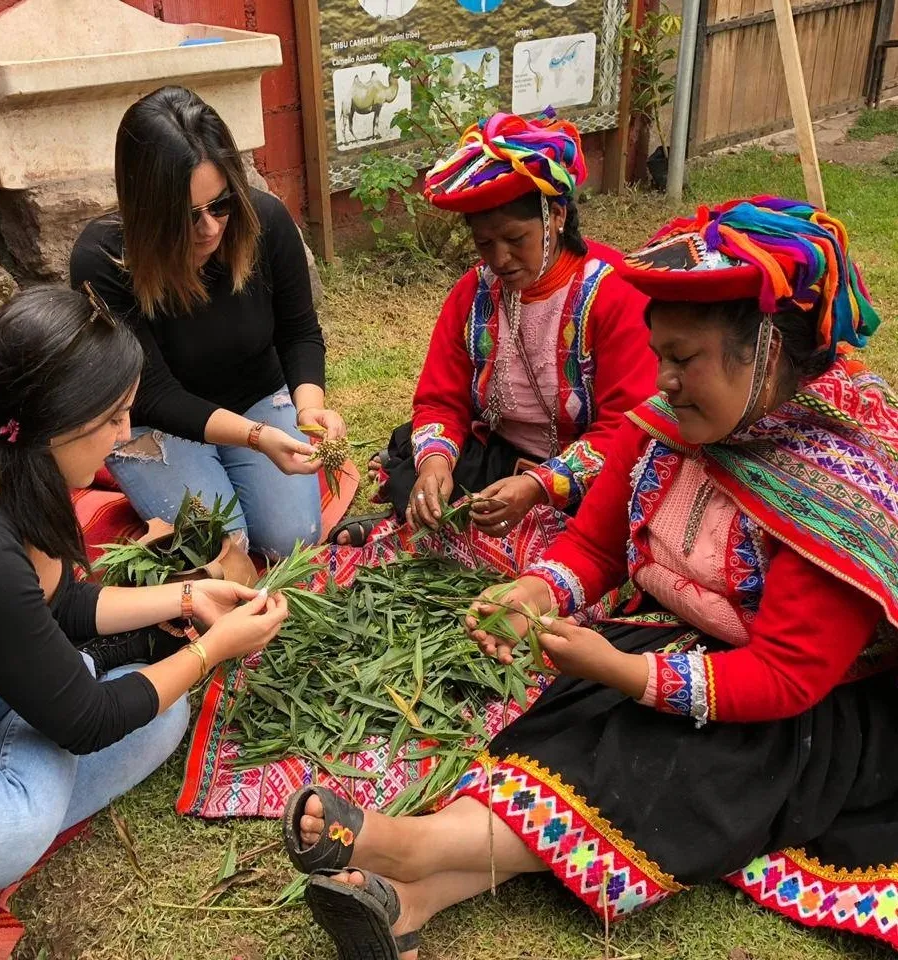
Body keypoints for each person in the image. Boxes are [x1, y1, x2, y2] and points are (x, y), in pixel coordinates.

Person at [281, 197, 898, 958]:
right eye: (659, 355)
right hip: (686, 644)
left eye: (684, 359)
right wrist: (537, 591)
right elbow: (598, 546)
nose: (662, 381)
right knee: (574, 723)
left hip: (804, 715)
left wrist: (631, 671)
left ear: (765, 349)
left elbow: (786, 677)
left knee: (661, 757)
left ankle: (410, 851)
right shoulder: (671, 426)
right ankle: (410, 902)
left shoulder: (836, 488)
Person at [0, 287, 290, 958]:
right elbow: (87, 723)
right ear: (58, 422)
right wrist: (213, 649)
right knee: (8, 831)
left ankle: (54, 700)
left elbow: (60, 605)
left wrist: (188, 599)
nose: (125, 435)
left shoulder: (9, 481)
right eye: (115, 416)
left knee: (164, 716)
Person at [334, 111, 653, 546]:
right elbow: (440, 400)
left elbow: (627, 425)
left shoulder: (613, 292)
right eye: (485, 243)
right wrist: (435, 466)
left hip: (590, 467)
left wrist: (540, 484)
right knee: (415, 459)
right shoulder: (474, 294)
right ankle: (446, 522)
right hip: (502, 458)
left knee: (631, 503)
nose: (500, 258)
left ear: (556, 215)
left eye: (515, 239)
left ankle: (432, 531)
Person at [71, 86, 345, 559]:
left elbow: (299, 332)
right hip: (155, 425)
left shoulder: (265, 220)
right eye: (186, 215)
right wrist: (256, 438)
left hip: (257, 397)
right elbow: (152, 393)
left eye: (221, 204)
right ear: (146, 211)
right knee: (223, 544)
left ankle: (220, 474)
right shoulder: (102, 260)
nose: (211, 228)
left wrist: (308, 408)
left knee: (291, 540)